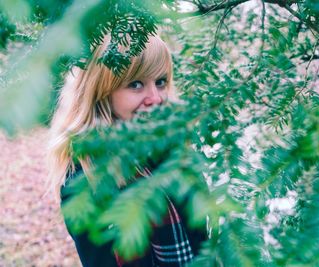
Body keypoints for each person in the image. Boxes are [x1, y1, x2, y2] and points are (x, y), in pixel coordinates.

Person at [47, 34, 207, 267]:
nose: (155, 98)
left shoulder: (172, 151)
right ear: (102, 90)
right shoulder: (85, 178)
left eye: (160, 82)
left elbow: (203, 240)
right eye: (136, 84)